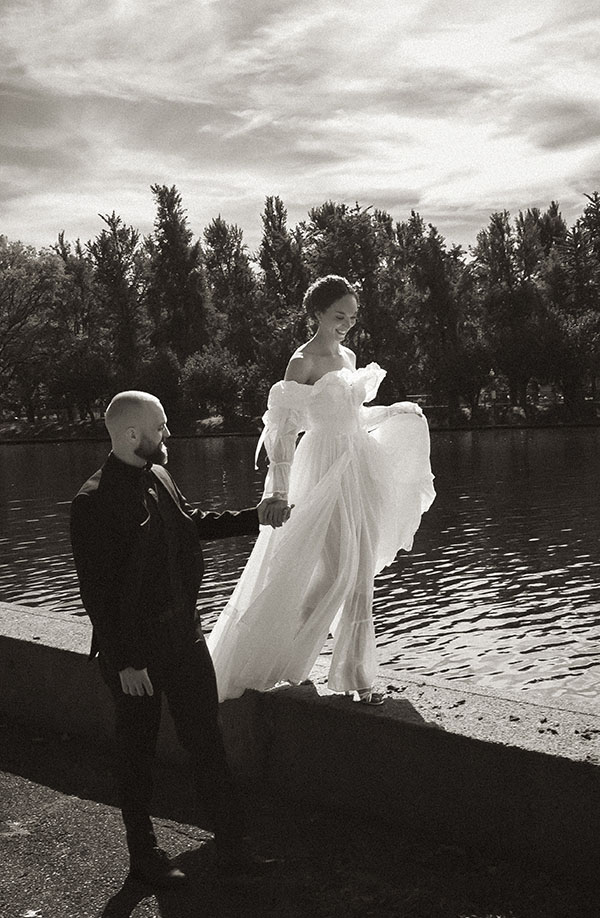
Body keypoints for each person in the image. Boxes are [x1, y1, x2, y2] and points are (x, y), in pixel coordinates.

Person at [70, 391, 289, 887]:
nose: (168, 433)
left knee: (208, 744)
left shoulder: (160, 475)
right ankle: (143, 860)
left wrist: (256, 515)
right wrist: (125, 662)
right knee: (137, 755)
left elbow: (190, 526)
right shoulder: (94, 501)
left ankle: (232, 848)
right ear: (132, 435)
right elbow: (97, 595)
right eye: (161, 426)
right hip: (136, 656)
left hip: (184, 640)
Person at [208, 275, 435, 705]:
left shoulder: (348, 355)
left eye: (352, 317)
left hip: (360, 465)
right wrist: (276, 492)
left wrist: (393, 411)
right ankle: (279, 647)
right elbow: (282, 431)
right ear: (316, 314)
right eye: (338, 316)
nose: (346, 324)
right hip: (323, 467)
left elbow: (354, 416)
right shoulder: (302, 362)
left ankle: (359, 677)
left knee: (361, 567)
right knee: (336, 569)